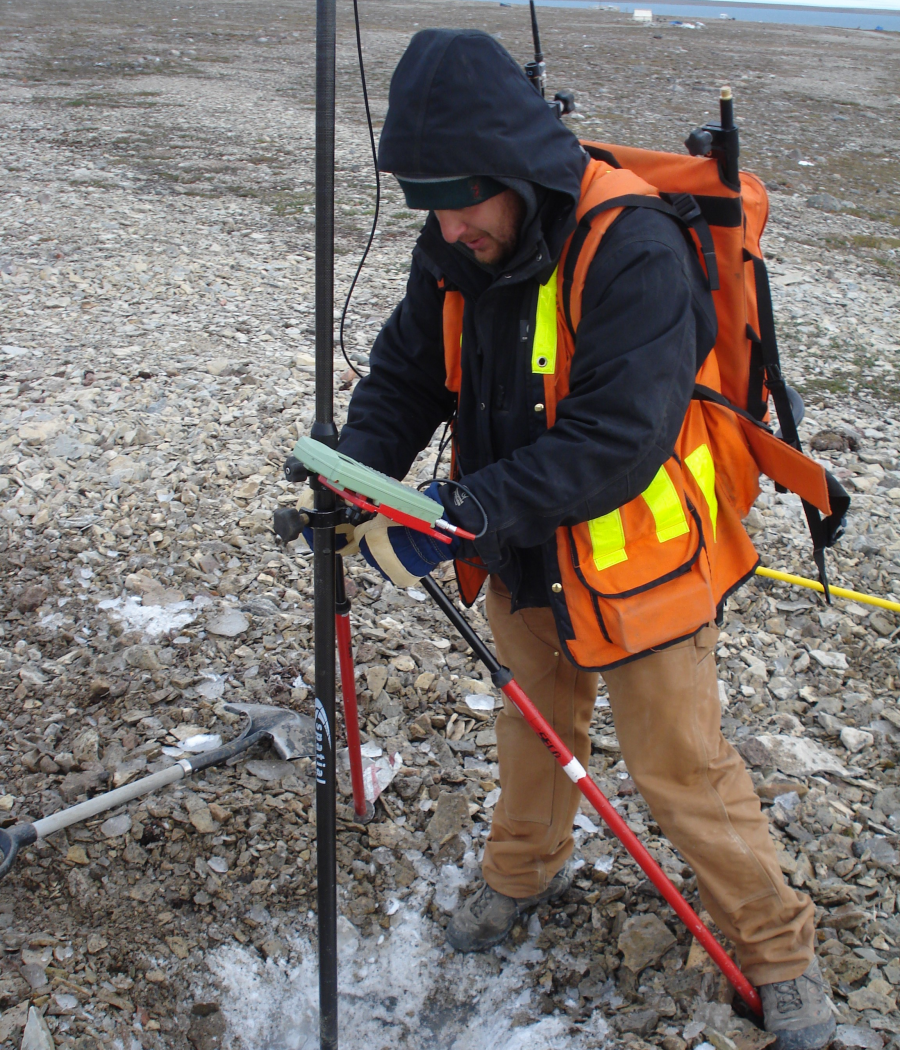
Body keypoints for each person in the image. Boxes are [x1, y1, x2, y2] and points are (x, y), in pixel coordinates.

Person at [337, 27, 834, 1050]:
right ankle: (521, 874)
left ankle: (780, 954)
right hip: (522, 555)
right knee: (533, 729)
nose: (446, 221)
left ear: (516, 171)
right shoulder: (455, 247)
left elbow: (618, 439)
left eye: (463, 194)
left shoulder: (634, 247)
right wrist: (355, 477)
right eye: (426, 198)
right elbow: (403, 378)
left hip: (638, 568)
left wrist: (462, 514)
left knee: (680, 768)